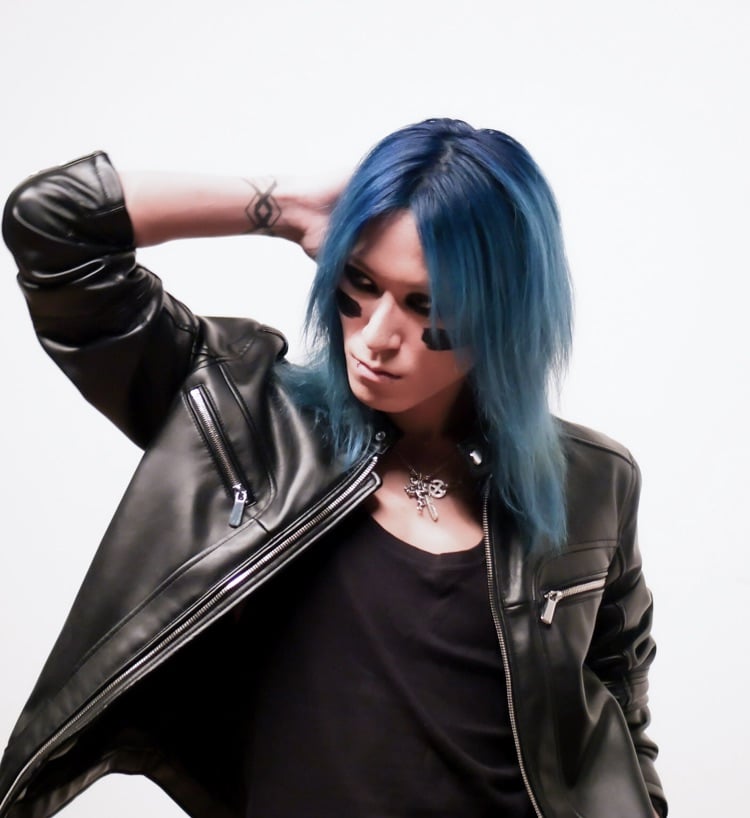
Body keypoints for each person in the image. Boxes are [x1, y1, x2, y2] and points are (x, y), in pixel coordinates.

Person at [0, 118, 666, 818]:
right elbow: (53, 224)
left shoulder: (593, 482)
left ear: (506, 313)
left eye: (426, 305)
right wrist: (284, 206)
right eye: (360, 282)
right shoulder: (244, 421)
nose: (376, 337)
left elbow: (619, 702)